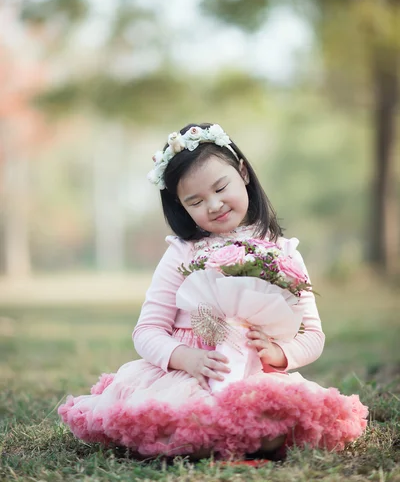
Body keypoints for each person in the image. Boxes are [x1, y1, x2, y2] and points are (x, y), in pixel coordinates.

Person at [59, 122, 368, 460]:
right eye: (195, 201)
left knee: (277, 426)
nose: (214, 205)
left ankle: (243, 438)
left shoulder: (283, 252)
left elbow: (312, 335)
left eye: (221, 187)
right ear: (181, 207)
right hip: (185, 376)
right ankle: (205, 438)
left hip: (252, 374)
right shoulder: (182, 252)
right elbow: (146, 331)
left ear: (243, 173)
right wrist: (185, 358)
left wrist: (278, 354)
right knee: (180, 428)